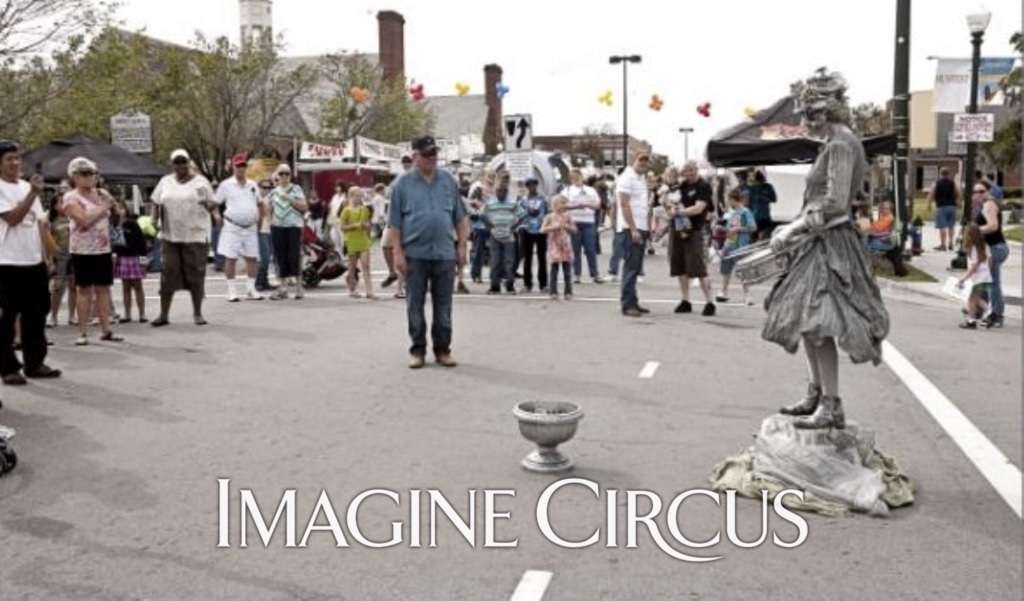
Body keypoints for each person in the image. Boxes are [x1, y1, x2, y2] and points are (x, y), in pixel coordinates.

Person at [767, 68, 890, 430]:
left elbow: (835, 203)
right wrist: (795, 229)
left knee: (818, 324)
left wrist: (793, 228)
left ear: (822, 110)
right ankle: (817, 393)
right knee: (807, 323)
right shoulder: (837, 141)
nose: (804, 120)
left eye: (807, 112)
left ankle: (831, 405)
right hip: (819, 241)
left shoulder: (840, 144)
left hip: (831, 244)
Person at [387, 136, 468, 369]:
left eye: (434, 153)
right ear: (415, 156)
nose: (432, 158)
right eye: (427, 154)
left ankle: (443, 350)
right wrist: (397, 253)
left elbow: (461, 218)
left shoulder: (448, 180)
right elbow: (394, 223)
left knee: (444, 307)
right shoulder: (401, 184)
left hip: (444, 253)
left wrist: (462, 246)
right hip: (415, 254)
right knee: (415, 305)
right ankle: (418, 350)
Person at [0, 140, 61, 385]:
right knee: (6, 318)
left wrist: (47, 257)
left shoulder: (26, 186)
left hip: (33, 261)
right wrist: (33, 193)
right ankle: (8, 367)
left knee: (36, 314)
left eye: (18, 158)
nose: (15, 163)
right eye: (9, 159)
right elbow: (13, 219)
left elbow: (39, 225)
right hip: (6, 262)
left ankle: (35, 362)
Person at [150, 149, 220, 327]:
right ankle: (163, 314)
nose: (180, 165)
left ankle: (197, 313)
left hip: (195, 234)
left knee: (196, 274)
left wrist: (213, 210)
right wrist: (153, 219)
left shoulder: (201, 182)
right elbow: (156, 202)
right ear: (172, 164)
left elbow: (212, 204)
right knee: (168, 273)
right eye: (177, 162)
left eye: (183, 162)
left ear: (188, 163)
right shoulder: (165, 181)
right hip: (170, 235)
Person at [62, 157, 122, 346]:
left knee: (103, 288)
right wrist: (104, 207)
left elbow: (116, 214)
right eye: (85, 174)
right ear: (75, 177)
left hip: (102, 248)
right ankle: (82, 332)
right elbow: (84, 220)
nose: (90, 177)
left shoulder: (101, 193)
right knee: (84, 289)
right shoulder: (71, 197)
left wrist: (114, 207)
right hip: (82, 250)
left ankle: (106, 329)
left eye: (92, 173)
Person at [666, 160, 716, 316]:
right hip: (677, 229)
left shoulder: (703, 186)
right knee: (680, 267)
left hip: (694, 231)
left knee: (698, 268)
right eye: (686, 170)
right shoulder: (681, 185)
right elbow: (669, 200)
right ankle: (685, 300)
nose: (689, 173)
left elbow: (699, 208)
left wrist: (678, 212)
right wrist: (668, 205)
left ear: (696, 170)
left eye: (692, 170)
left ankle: (710, 302)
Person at [216, 153, 264, 302]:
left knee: (252, 258)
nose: (241, 168)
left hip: (250, 227)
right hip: (232, 226)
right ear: (233, 167)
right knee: (231, 258)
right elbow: (215, 203)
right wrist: (217, 216)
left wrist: (259, 220)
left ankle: (251, 289)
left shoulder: (252, 184)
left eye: (243, 165)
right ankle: (232, 291)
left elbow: (260, 203)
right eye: (238, 166)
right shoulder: (226, 185)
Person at [616, 152, 652, 317]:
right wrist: (632, 228)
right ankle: (627, 304)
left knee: (636, 267)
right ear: (633, 161)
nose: (643, 163)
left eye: (646, 160)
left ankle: (633, 301)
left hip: (641, 227)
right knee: (631, 267)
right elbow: (624, 204)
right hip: (631, 228)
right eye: (640, 160)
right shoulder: (627, 177)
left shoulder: (641, 178)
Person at [268, 163, 308, 300]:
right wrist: (270, 223)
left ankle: (299, 287)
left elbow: (304, 206)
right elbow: (269, 209)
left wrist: (290, 198)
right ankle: (283, 287)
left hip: (293, 226)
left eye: (287, 173)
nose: (284, 176)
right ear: (277, 175)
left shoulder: (296, 189)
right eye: (281, 173)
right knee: (280, 257)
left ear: (290, 175)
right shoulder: (274, 192)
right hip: (278, 226)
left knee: (294, 256)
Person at [716, 188, 756, 305]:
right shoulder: (733, 213)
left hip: (741, 245)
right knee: (726, 269)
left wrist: (738, 229)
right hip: (729, 244)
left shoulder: (745, 212)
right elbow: (730, 229)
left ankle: (747, 295)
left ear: (732, 199)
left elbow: (753, 227)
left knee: (743, 270)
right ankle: (723, 292)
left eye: (728, 199)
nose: (727, 202)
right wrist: (721, 228)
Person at [975, 187, 1009, 328]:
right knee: (985, 280)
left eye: (981, 191)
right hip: (990, 248)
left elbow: (993, 226)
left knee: (993, 282)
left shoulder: (989, 204)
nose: (978, 194)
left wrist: (975, 229)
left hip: (996, 248)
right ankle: (981, 310)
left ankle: (997, 315)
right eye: (976, 191)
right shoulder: (983, 205)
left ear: (988, 191)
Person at [111, 201, 148, 323]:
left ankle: (142, 314)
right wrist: (114, 253)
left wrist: (143, 257)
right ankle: (127, 314)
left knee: (138, 285)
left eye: (121, 208)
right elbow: (113, 242)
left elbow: (141, 241)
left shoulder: (132, 224)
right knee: (125, 286)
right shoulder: (114, 225)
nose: (119, 211)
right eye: (116, 208)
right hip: (122, 257)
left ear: (126, 210)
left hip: (134, 257)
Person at [956, 223, 992, 329]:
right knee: (976, 299)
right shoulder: (985, 245)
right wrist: (987, 271)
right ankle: (989, 313)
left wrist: (963, 278)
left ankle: (971, 321)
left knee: (971, 299)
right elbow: (990, 260)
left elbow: (974, 266)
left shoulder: (973, 248)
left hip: (978, 277)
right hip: (985, 276)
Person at [541, 194, 576, 300]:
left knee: (567, 271)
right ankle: (553, 291)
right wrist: (553, 227)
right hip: (554, 246)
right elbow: (542, 230)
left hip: (565, 245)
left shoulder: (568, 216)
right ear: (555, 204)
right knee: (554, 270)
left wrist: (567, 226)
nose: (564, 205)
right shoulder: (549, 217)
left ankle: (568, 291)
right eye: (562, 203)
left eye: (565, 203)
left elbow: (574, 230)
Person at [341, 187, 374, 299]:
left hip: (363, 240)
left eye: (360, 196)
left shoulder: (364, 210)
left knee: (366, 265)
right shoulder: (346, 211)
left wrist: (367, 226)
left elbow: (369, 224)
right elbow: (342, 227)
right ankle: (352, 289)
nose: (358, 198)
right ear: (350, 196)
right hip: (351, 240)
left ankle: (369, 290)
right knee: (352, 267)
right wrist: (354, 226)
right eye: (356, 196)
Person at [517, 177, 549, 293]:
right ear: (527, 187)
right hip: (527, 229)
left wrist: (546, 226)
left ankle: (543, 284)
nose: (532, 187)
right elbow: (519, 214)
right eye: (529, 185)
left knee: (542, 258)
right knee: (527, 258)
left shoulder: (543, 198)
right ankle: (527, 284)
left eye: (534, 185)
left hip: (541, 230)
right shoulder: (523, 200)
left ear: (537, 185)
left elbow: (547, 213)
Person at [927, 167, 961, 251]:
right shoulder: (953, 183)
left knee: (942, 226)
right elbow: (958, 193)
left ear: (940, 174)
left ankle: (943, 244)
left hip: (941, 206)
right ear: (948, 174)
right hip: (951, 206)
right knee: (951, 226)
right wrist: (958, 203)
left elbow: (931, 194)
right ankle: (951, 243)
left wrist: (929, 204)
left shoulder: (937, 183)